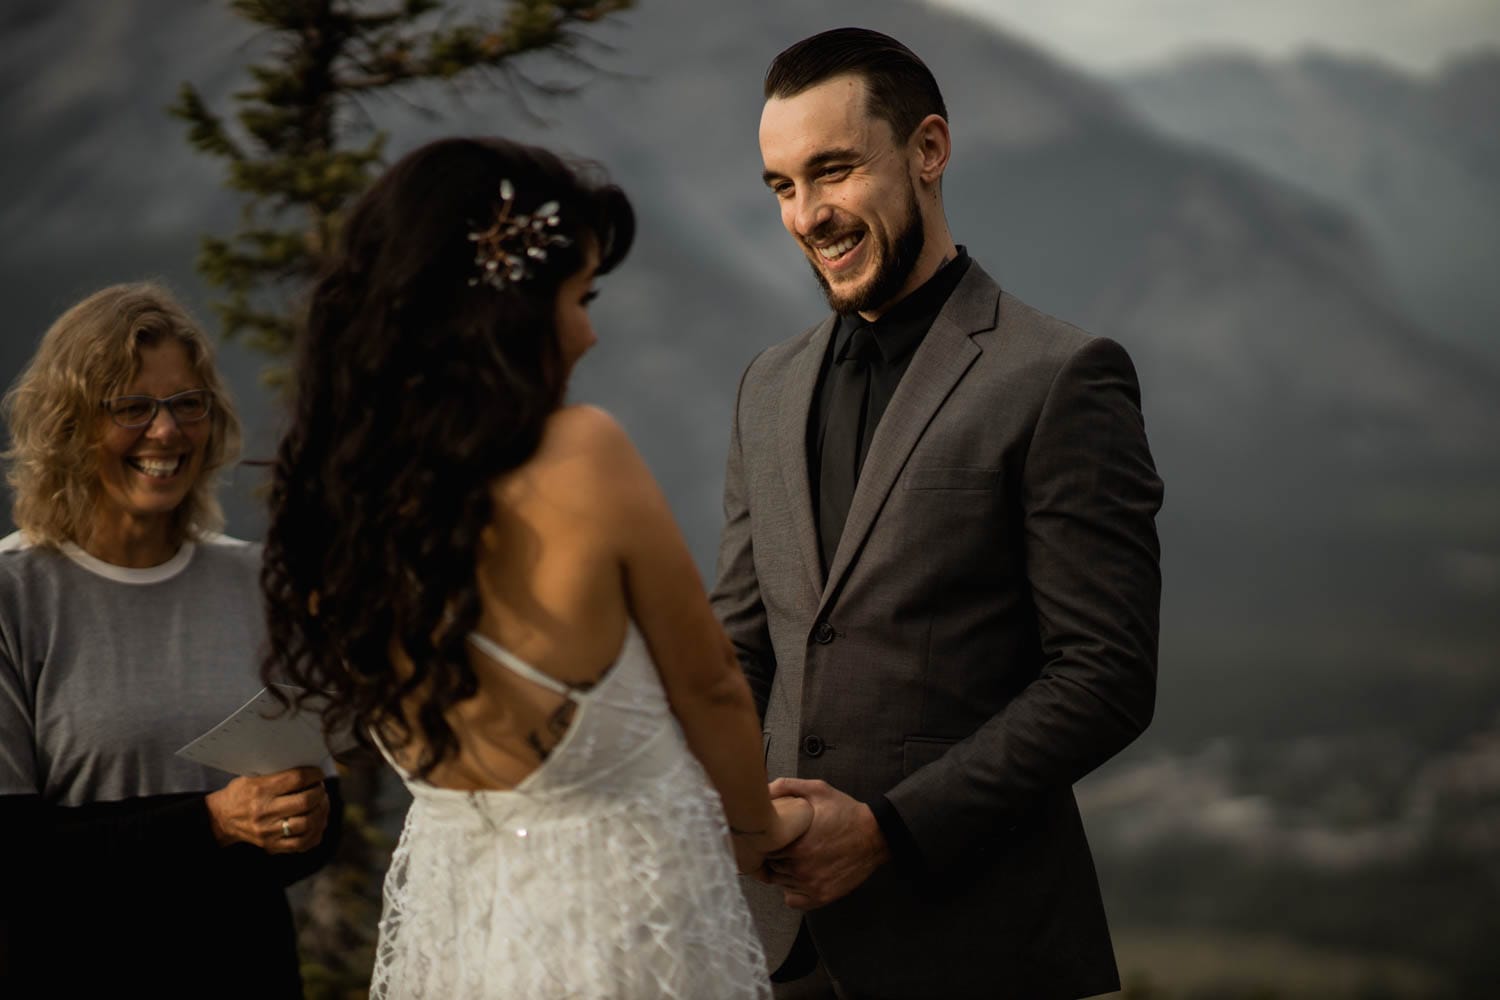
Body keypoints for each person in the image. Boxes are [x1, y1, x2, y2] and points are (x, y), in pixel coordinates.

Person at [260, 136, 811, 998]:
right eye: (579, 296)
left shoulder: (340, 509)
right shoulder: (584, 454)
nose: (590, 332)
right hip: (626, 930)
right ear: (505, 308)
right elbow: (708, 686)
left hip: (463, 935)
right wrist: (758, 828)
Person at [711, 27, 1165, 999]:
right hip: (777, 951)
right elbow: (742, 647)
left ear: (927, 151)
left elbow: (1107, 676)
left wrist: (885, 831)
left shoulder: (1059, 376)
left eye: (832, 171)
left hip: (980, 949)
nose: (807, 214)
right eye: (782, 186)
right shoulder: (766, 386)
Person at [0, 283, 341, 996]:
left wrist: (298, 818)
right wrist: (213, 824)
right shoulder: (15, 594)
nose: (166, 432)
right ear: (69, 424)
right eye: (131, 408)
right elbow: (17, 864)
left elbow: (319, 821)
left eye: (188, 404)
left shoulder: (255, 582)